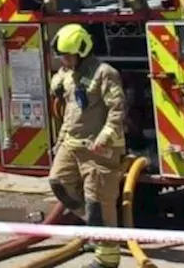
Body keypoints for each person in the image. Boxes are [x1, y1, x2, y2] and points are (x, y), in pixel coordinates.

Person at [48, 23, 126, 268]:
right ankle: (96, 229)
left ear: (82, 51)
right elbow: (71, 112)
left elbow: (118, 109)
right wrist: (60, 142)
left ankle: (108, 257)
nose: (65, 60)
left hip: (98, 149)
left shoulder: (105, 73)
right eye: (62, 56)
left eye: (68, 55)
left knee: (98, 201)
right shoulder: (70, 76)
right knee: (58, 182)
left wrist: (103, 139)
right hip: (72, 143)